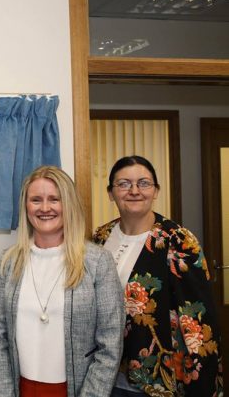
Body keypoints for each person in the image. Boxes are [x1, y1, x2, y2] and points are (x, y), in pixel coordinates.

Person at [0, 165, 125, 397]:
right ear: (26, 206)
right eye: (36, 200)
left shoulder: (97, 262)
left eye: (54, 199)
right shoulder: (9, 262)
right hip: (22, 389)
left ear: (68, 205)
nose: (45, 208)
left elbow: (110, 343)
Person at [92, 155, 223, 397]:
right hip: (104, 373)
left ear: (156, 191)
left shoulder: (178, 241)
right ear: (111, 193)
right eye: (123, 184)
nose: (134, 191)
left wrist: (202, 384)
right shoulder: (100, 237)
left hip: (157, 380)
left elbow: (198, 317)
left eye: (143, 183)